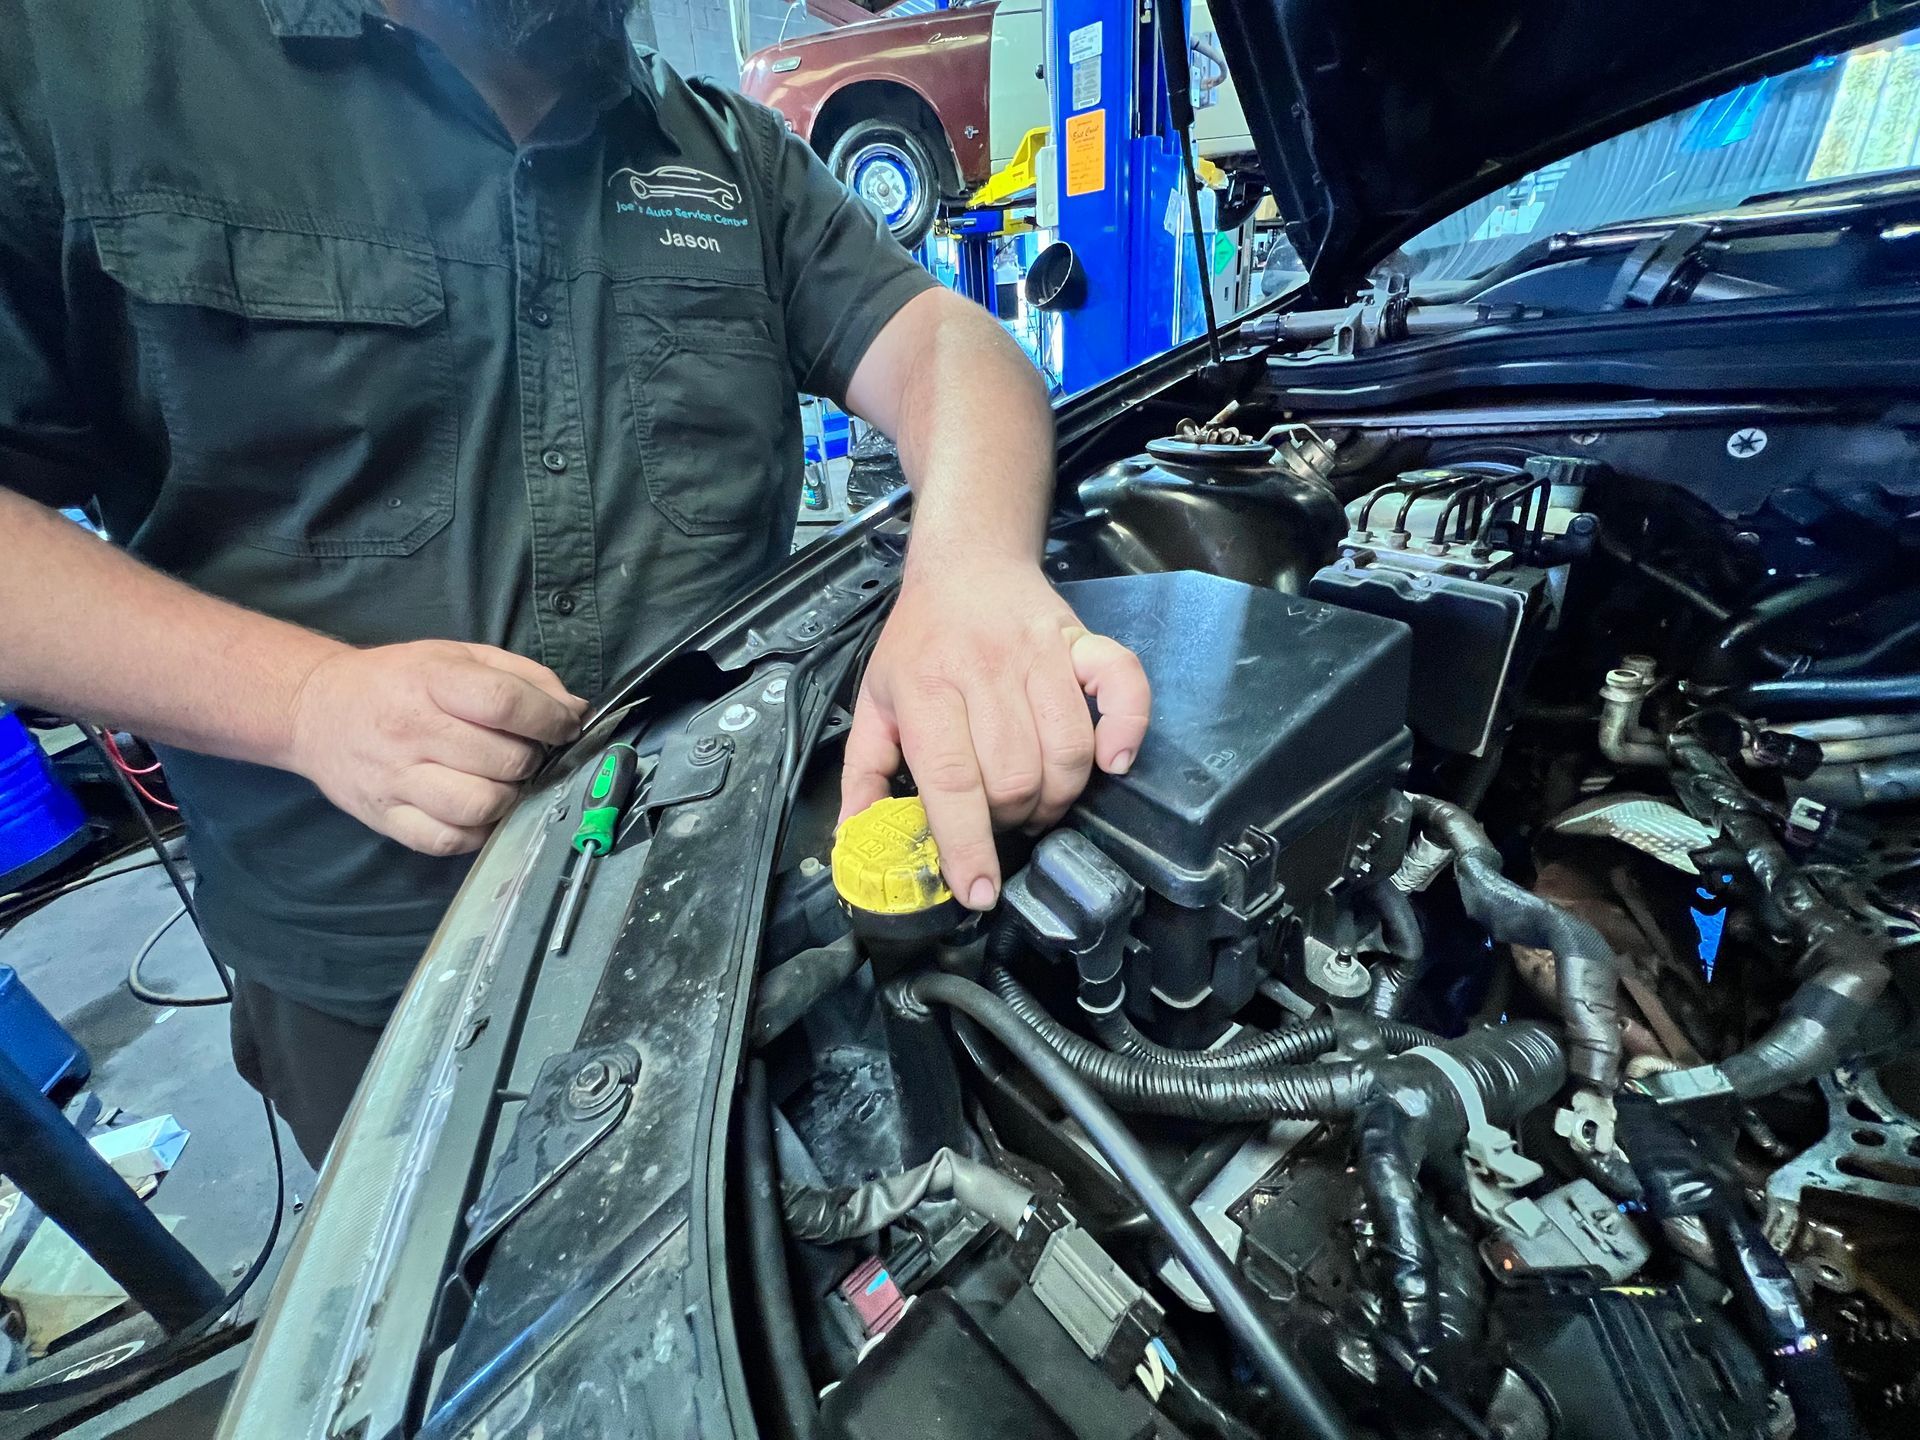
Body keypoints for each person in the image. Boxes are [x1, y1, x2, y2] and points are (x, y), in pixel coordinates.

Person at [0, 0, 1150, 1164]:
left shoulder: (725, 155)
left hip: (741, 903)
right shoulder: (81, 69)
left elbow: (947, 342)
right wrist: (301, 703)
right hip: (387, 988)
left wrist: (968, 566)